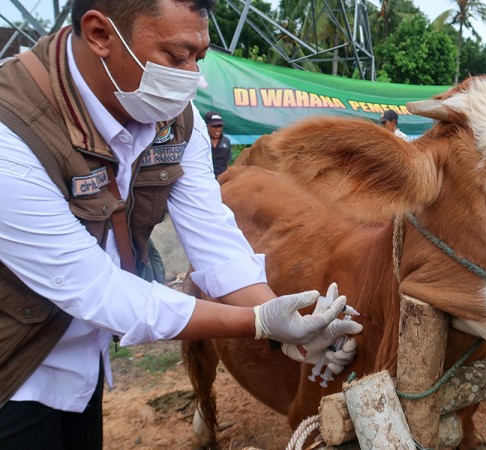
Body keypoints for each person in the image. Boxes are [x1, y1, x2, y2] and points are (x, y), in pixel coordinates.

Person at [0, 0, 362, 448]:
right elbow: (95, 290)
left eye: (200, 56)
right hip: (15, 367)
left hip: (83, 363)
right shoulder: (11, 132)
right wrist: (260, 322)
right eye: (176, 57)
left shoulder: (174, 120)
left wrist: (290, 320)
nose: (192, 76)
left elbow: (214, 238)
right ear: (99, 35)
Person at [204, 110, 231, 177]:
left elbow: (227, 163)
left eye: (220, 126)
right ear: (206, 126)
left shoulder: (226, 141)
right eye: (214, 126)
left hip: (222, 181)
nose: (218, 129)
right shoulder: (200, 141)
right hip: (205, 178)